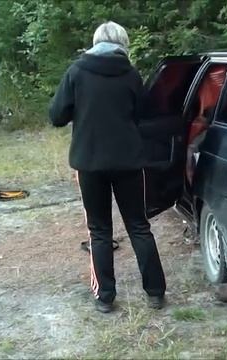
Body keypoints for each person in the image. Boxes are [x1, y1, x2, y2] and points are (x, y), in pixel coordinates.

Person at [48, 21, 166, 313]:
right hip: (129, 162)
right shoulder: (130, 74)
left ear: (94, 42)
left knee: (99, 231)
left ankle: (105, 297)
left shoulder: (76, 72)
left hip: (89, 164)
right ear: (123, 44)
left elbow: (57, 116)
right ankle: (155, 293)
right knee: (139, 226)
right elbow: (145, 115)